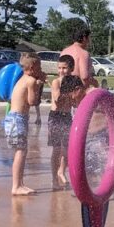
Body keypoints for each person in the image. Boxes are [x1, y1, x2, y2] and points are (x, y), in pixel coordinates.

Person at [4, 52, 41, 196]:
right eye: (39, 67)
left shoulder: (22, 79)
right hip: (17, 119)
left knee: (21, 151)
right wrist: (38, 84)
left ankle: (20, 184)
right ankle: (16, 186)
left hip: (14, 118)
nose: (41, 69)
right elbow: (32, 101)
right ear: (32, 67)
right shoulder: (30, 81)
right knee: (21, 152)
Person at [49, 55, 82, 190]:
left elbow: (75, 103)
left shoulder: (74, 82)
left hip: (67, 116)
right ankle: (54, 179)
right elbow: (57, 100)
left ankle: (61, 171)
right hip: (56, 117)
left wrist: (78, 93)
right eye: (59, 68)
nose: (61, 71)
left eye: (64, 68)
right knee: (57, 149)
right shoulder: (56, 82)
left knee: (67, 149)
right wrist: (70, 92)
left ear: (72, 69)